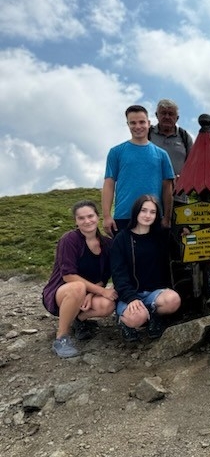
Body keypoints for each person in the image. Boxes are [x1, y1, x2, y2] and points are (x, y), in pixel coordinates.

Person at [42, 201, 117, 358]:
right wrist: (100, 291)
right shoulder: (69, 240)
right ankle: (61, 338)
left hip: (88, 291)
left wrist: (91, 294)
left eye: (90, 216)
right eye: (81, 218)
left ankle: (78, 319)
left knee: (107, 305)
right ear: (76, 221)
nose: (87, 221)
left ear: (98, 217)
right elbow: (68, 275)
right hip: (62, 292)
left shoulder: (107, 244)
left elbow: (104, 277)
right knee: (77, 287)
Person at [111, 195, 182, 342]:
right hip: (129, 293)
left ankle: (154, 316)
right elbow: (118, 274)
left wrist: (183, 231)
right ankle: (124, 321)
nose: (147, 215)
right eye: (144, 210)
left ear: (157, 215)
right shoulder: (122, 238)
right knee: (137, 317)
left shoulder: (161, 236)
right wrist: (130, 298)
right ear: (136, 211)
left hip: (154, 293)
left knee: (173, 300)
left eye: (152, 212)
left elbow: (178, 251)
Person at [102, 105, 175, 236]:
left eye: (141, 122)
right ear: (128, 124)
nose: (137, 126)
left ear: (148, 123)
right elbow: (109, 184)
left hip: (153, 217)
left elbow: (167, 189)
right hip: (124, 217)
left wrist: (167, 218)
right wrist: (107, 216)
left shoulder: (162, 155)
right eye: (133, 123)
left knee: (154, 257)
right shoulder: (116, 152)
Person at [148, 99, 194, 205]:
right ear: (156, 115)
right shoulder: (148, 134)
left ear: (177, 118)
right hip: (151, 197)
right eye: (163, 113)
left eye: (171, 114)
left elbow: (193, 166)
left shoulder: (185, 137)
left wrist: (183, 178)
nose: (167, 117)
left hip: (178, 196)